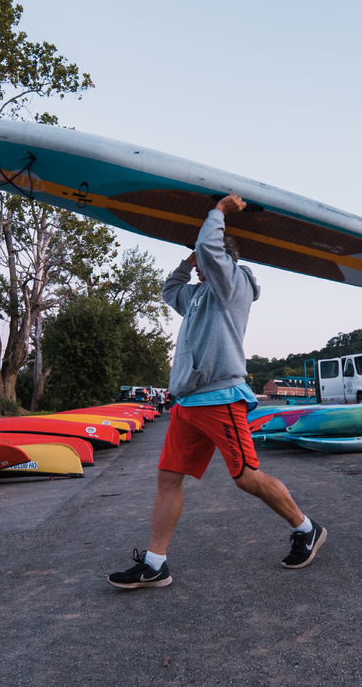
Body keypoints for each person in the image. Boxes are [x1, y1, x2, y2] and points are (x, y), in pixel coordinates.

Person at [108, 194, 327, 589]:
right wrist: (185, 264)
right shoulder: (198, 296)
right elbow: (169, 289)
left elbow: (211, 247)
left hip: (220, 398)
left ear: (219, 261)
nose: (198, 270)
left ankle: (307, 528)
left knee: (246, 477)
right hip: (188, 402)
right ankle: (156, 564)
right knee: (168, 478)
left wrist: (220, 212)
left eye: (203, 262)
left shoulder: (233, 286)